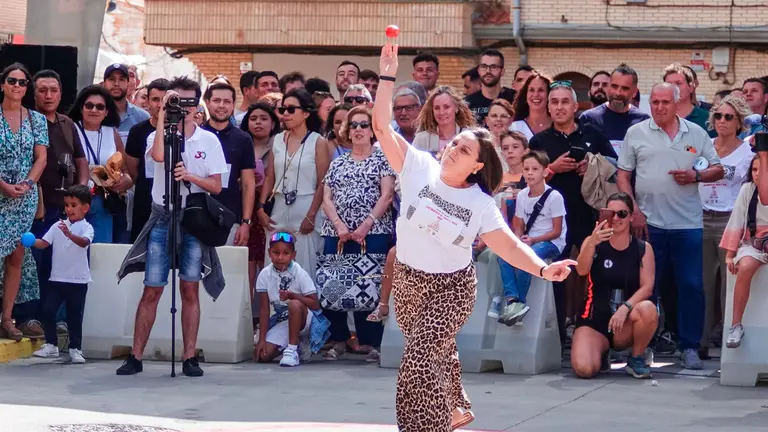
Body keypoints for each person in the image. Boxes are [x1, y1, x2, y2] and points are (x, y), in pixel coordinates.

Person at [373, 42, 575, 432]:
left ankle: (424, 427)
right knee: (432, 355)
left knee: (416, 361)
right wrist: (386, 74)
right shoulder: (418, 166)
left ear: (477, 164)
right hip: (409, 283)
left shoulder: (480, 203)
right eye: (453, 143)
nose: (452, 148)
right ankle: (453, 408)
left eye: (463, 148)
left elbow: (509, 246)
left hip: (452, 288)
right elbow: (381, 125)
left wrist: (544, 269)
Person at [116, 76, 228, 377]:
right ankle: (136, 356)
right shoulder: (157, 134)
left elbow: (216, 186)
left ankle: (190, 356)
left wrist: (190, 176)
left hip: (192, 218)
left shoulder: (208, 140)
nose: (185, 107)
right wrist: (164, 114)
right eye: (178, 100)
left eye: (190, 101)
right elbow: (157, 157)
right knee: (151, 287)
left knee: (190, 287)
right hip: (162, 215)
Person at [617, 83, 724, 370]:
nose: (660, 107)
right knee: (647, 289)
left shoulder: (696, 133)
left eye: (665, 102)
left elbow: (718, 168)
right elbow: (623, 176)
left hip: (687, 224)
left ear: (677, 103)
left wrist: (696, 176)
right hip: (648, 224)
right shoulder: (636, 133)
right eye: (655, 102)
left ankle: (689, 346)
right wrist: (633, 211)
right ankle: (643, 347)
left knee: (691, 285)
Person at [320, 106, 395, 363]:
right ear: (347, 131)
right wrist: (340, 226)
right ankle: (339, 339)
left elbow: (387, 195)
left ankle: (373, 341)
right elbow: (326, 198)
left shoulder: (382, 159)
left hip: (373, 231)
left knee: (370, 285)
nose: (359, 129)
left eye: (365, 125)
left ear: (373, 131)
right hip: (337, 232)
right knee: (336, 284)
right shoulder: (338, 161)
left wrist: (366, 225)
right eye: (354, 125)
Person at [571, 193, 658, 379]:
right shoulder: (593, 242)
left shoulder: (643, 248)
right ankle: (601, 353)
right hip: (595, 320)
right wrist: (592, 242)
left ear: (632, 217)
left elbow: (647, 287)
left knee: (648, 309)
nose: (617, 218)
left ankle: (636, 358)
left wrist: (625, 307)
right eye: (612, 214)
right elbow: (580, 270)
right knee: (584, 369)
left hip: (624, 321)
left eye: (622, 214)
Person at [256, 89, 330, 283]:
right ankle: (276, 312)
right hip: (279, 205)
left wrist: (312, 214)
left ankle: (305, 313)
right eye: (282, 109)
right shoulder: (277, 140)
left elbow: (324, 181)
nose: (285, 114)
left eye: (291, 109)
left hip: (307, 205)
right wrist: (261, 207)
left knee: (305, 269)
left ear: (306, 113)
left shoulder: (318, 141)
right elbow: (270, 176)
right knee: (273, 267)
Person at [699, 95, 754, 352]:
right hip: (700, 216)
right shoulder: (704, 145)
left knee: (727, 284)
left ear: (739, 122)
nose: (721, 121)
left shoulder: (747, 151)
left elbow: (730, 175)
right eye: (718, 115)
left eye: (728, 117)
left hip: (729, 220)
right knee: (703, 282)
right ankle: (700, 340)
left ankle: (724, 343)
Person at [0, 63, 48, 341]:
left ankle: (7, 318)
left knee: (16, 256)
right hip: (1, 190)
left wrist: (28, 183)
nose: (17, 86)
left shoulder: (36, 119)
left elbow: (41, 157)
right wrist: (3, 185)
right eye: (12, 81)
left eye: (22, 82)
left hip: (24, 196)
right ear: (3, 84)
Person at [496, 151, 567, 325]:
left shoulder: (555, 196)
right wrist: (516, 240)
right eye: (526, 169)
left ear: (544, 171)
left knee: (528, 257)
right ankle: (512, 299)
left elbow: (557, 231)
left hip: (551, 242)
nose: (529, 173)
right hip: (529, 239)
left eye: (535, 169)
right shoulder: (521, 195)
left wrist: (533, 241)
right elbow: (519, 224)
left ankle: (520, 303)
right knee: (504, 255)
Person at [31, 185, 93, 364]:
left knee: (75, 315)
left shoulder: (87, 227)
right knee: (48, 310)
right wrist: (29, 240)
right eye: (67, 205)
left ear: (85, 208)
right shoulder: (57, 225)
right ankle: (51, 345)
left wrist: (70, 234)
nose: (69, 209)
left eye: (73, 205)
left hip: (78, 280)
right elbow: (44, 243)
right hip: (57, 278)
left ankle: (76, 348)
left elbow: (84, 243)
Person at [68, 85, 133, 243]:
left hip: (104, 202)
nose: (94, 110)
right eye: (89, 105)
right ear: (81, 108)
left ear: (106, 112)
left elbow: (126, 170)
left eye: (100, 106)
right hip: (76, 200)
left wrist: (127, 180)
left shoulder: (111, 133)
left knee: (100, 252)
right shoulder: (70, 129)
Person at [202, 82, 256, 246]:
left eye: (227, 101)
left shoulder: (243, 139)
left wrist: (245, 222)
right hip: (197, 216)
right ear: (207, 102)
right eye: (217, 100)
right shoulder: (196, 135)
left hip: (230, 217)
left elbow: (248, 184)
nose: (221, 106)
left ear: (233, 105)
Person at [254, 232, 320, 367]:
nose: (280, 257)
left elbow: (315, 304)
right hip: (283, 320)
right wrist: (261, 339)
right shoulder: (264, 275)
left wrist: (294, 296)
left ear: (293, 255)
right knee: (262, 356)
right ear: (269, 252)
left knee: (294, 305)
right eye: (275, 252)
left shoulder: (299, 273)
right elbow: (264, 310)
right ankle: (296, 343)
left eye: (285, 253)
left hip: (304, 319)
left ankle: (292, 349)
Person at [720, 156, 765, 348]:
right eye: (754, 170)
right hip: (753, 245)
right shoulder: (747, 190)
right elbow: (736, 220)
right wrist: (730, 253)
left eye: (762, 170)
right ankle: (736, 325)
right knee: (745, 266)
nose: (758, 174)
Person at [240, 102, 280, 293]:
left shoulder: (280, 144)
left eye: (264, 119)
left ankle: (266, 311)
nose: (258, 123)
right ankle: (249, 314)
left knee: (267, 261)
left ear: (273, 124)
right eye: (253, 119)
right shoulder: (241, 142)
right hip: (244, 207)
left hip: (270, 208)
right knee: (246, 260)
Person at [124, 78, 169, 242]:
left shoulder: (180, 130)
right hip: (144, 199)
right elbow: (133, 168)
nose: (160, 105)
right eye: (156, 99)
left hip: (172, 201)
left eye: (164, 100)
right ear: (147, 102)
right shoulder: (137, 131)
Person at [411, 86, 476, 158]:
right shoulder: (421, 139)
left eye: (446, 107)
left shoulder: (471, 137)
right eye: (437, 108)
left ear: (456, 108)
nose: (441, 112)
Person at [465, 49, 516, 124]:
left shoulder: (514, 99)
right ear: (479, 70)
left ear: (502, 71)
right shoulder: (468, 103)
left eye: (493, 67)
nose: (488, 71)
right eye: (484, 66)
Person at [510, 73, 552, 140]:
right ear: (526, 95)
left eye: (541, 90)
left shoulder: (558, 125)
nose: (536, 94)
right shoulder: (514, 128)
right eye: (531, 90)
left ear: (549, 94)